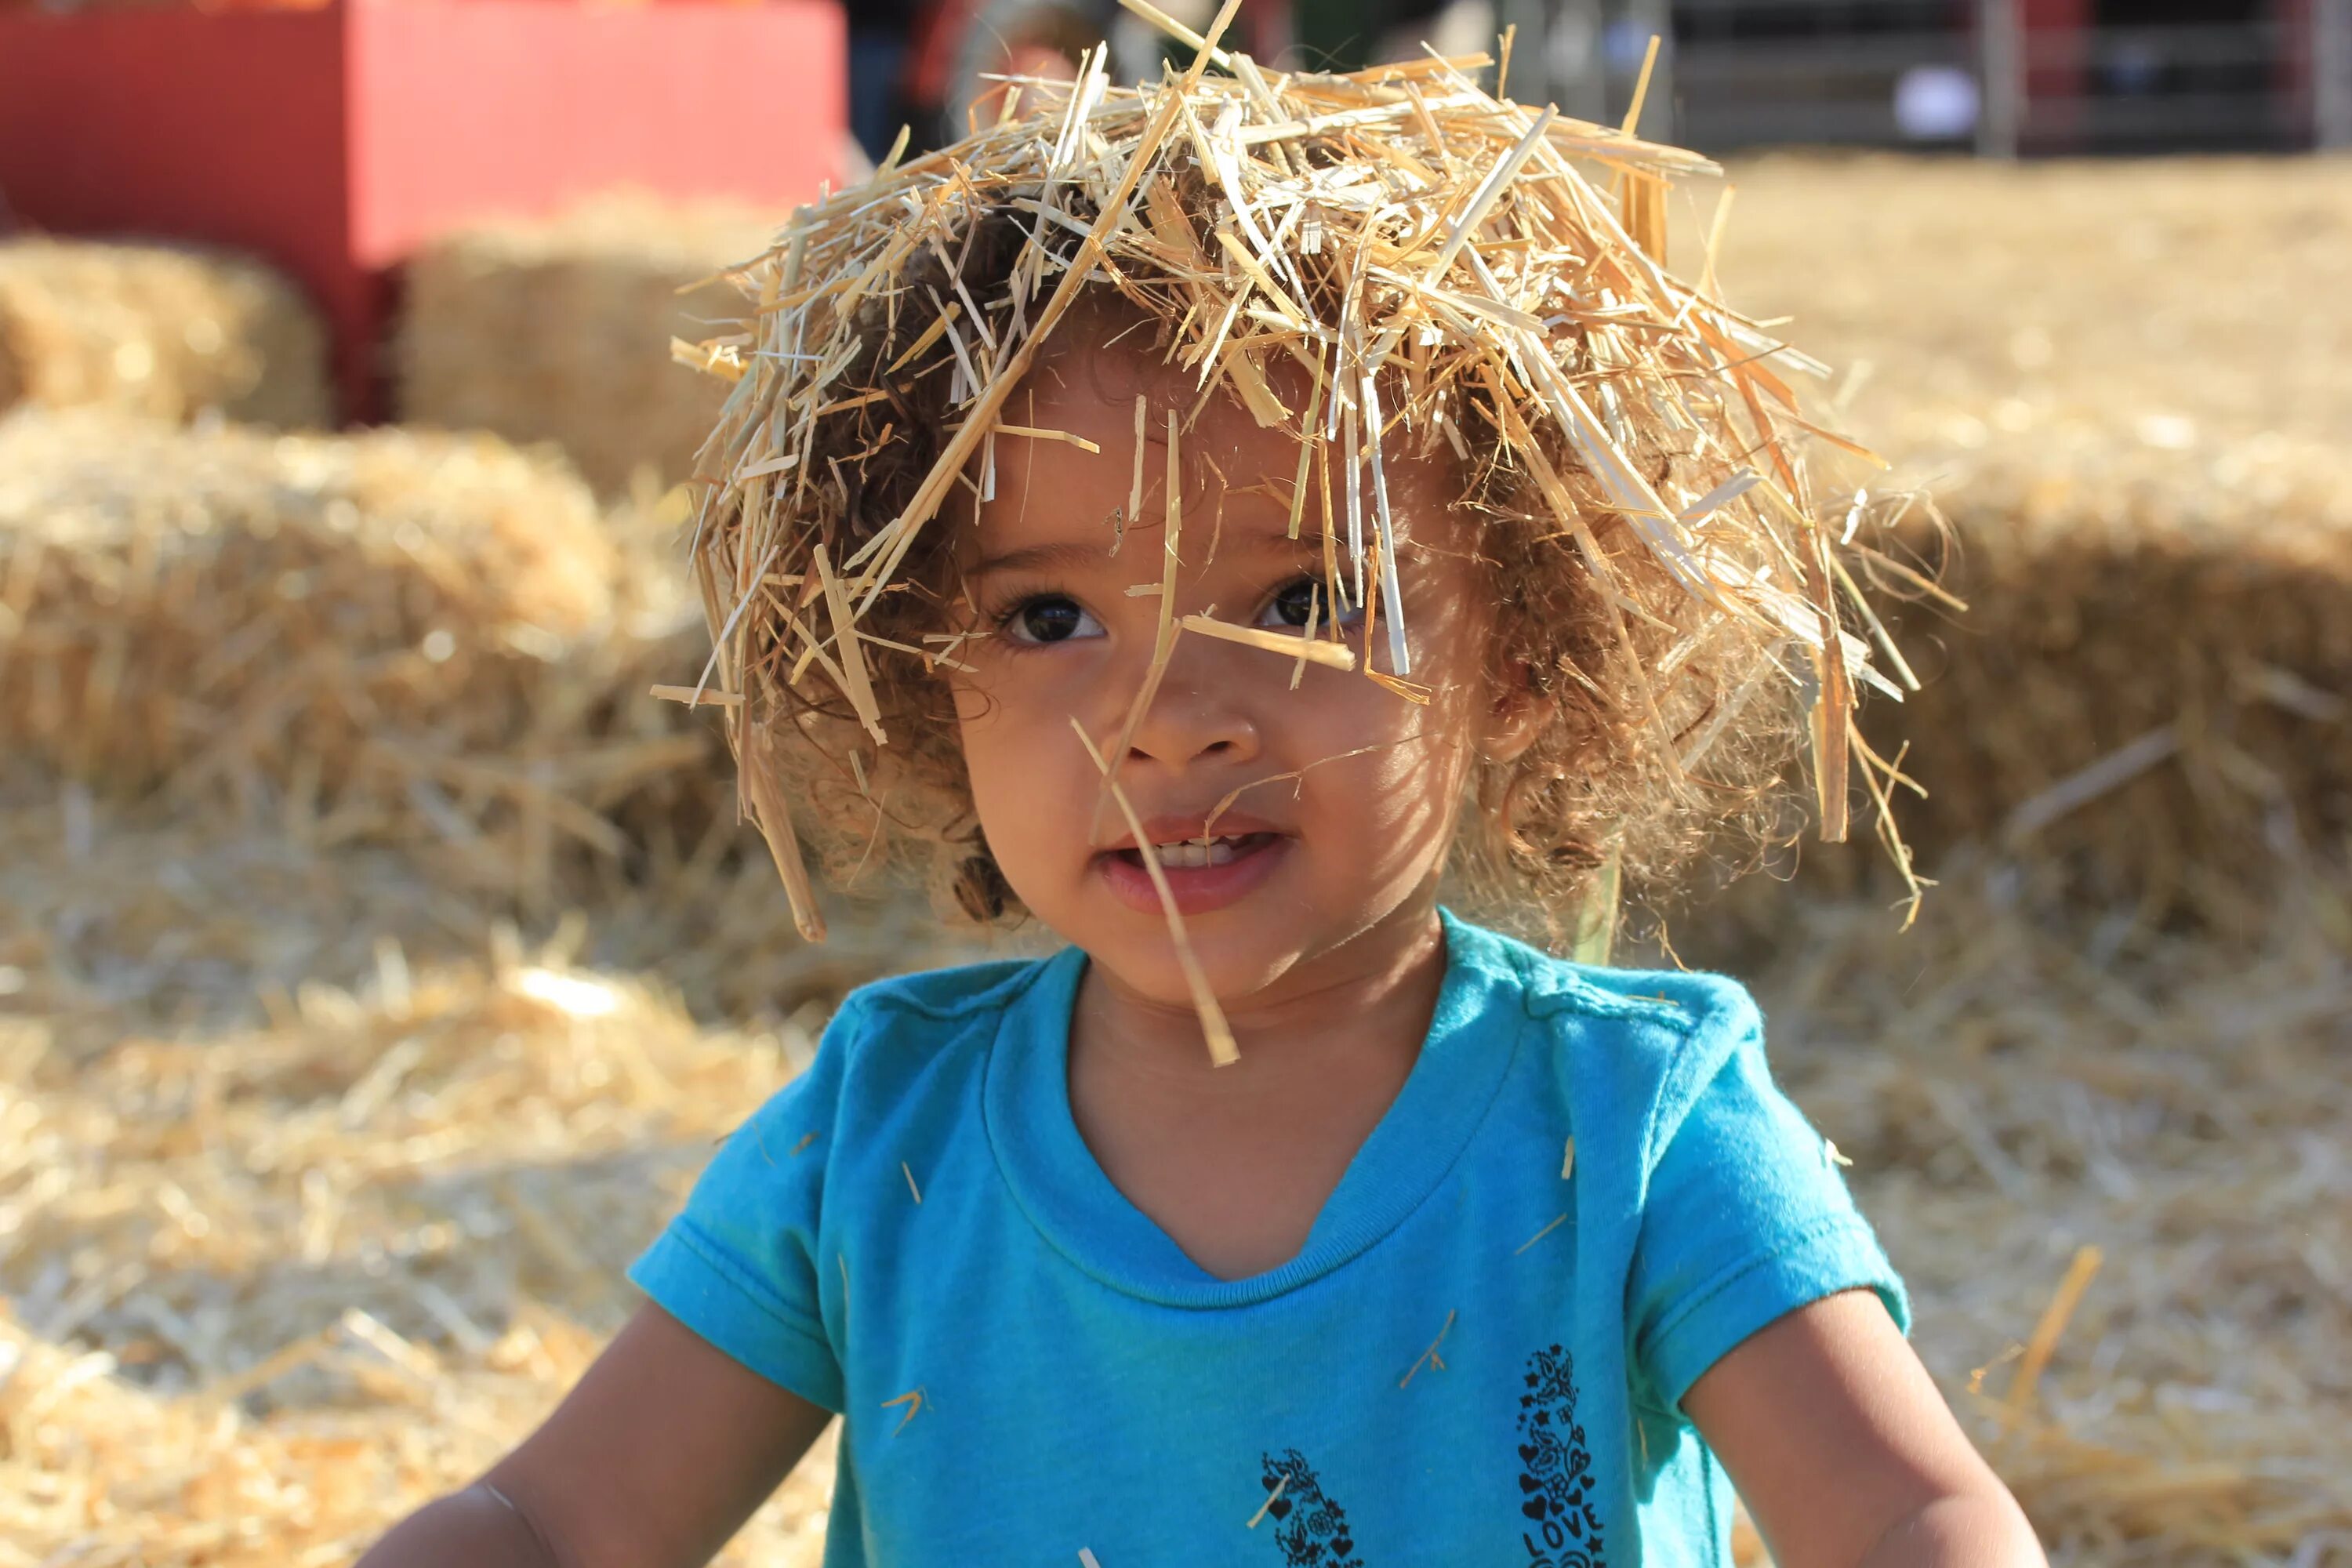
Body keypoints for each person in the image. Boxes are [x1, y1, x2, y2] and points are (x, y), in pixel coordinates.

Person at [358, 37, 2043, 1568]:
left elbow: (1905, 1510)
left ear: (1521, 647)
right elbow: (556, 1519)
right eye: (1048, 619)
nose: (1164, 722)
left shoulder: (1632, 1126)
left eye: (1301, 601)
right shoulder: (887, 1144)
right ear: (919, 677)